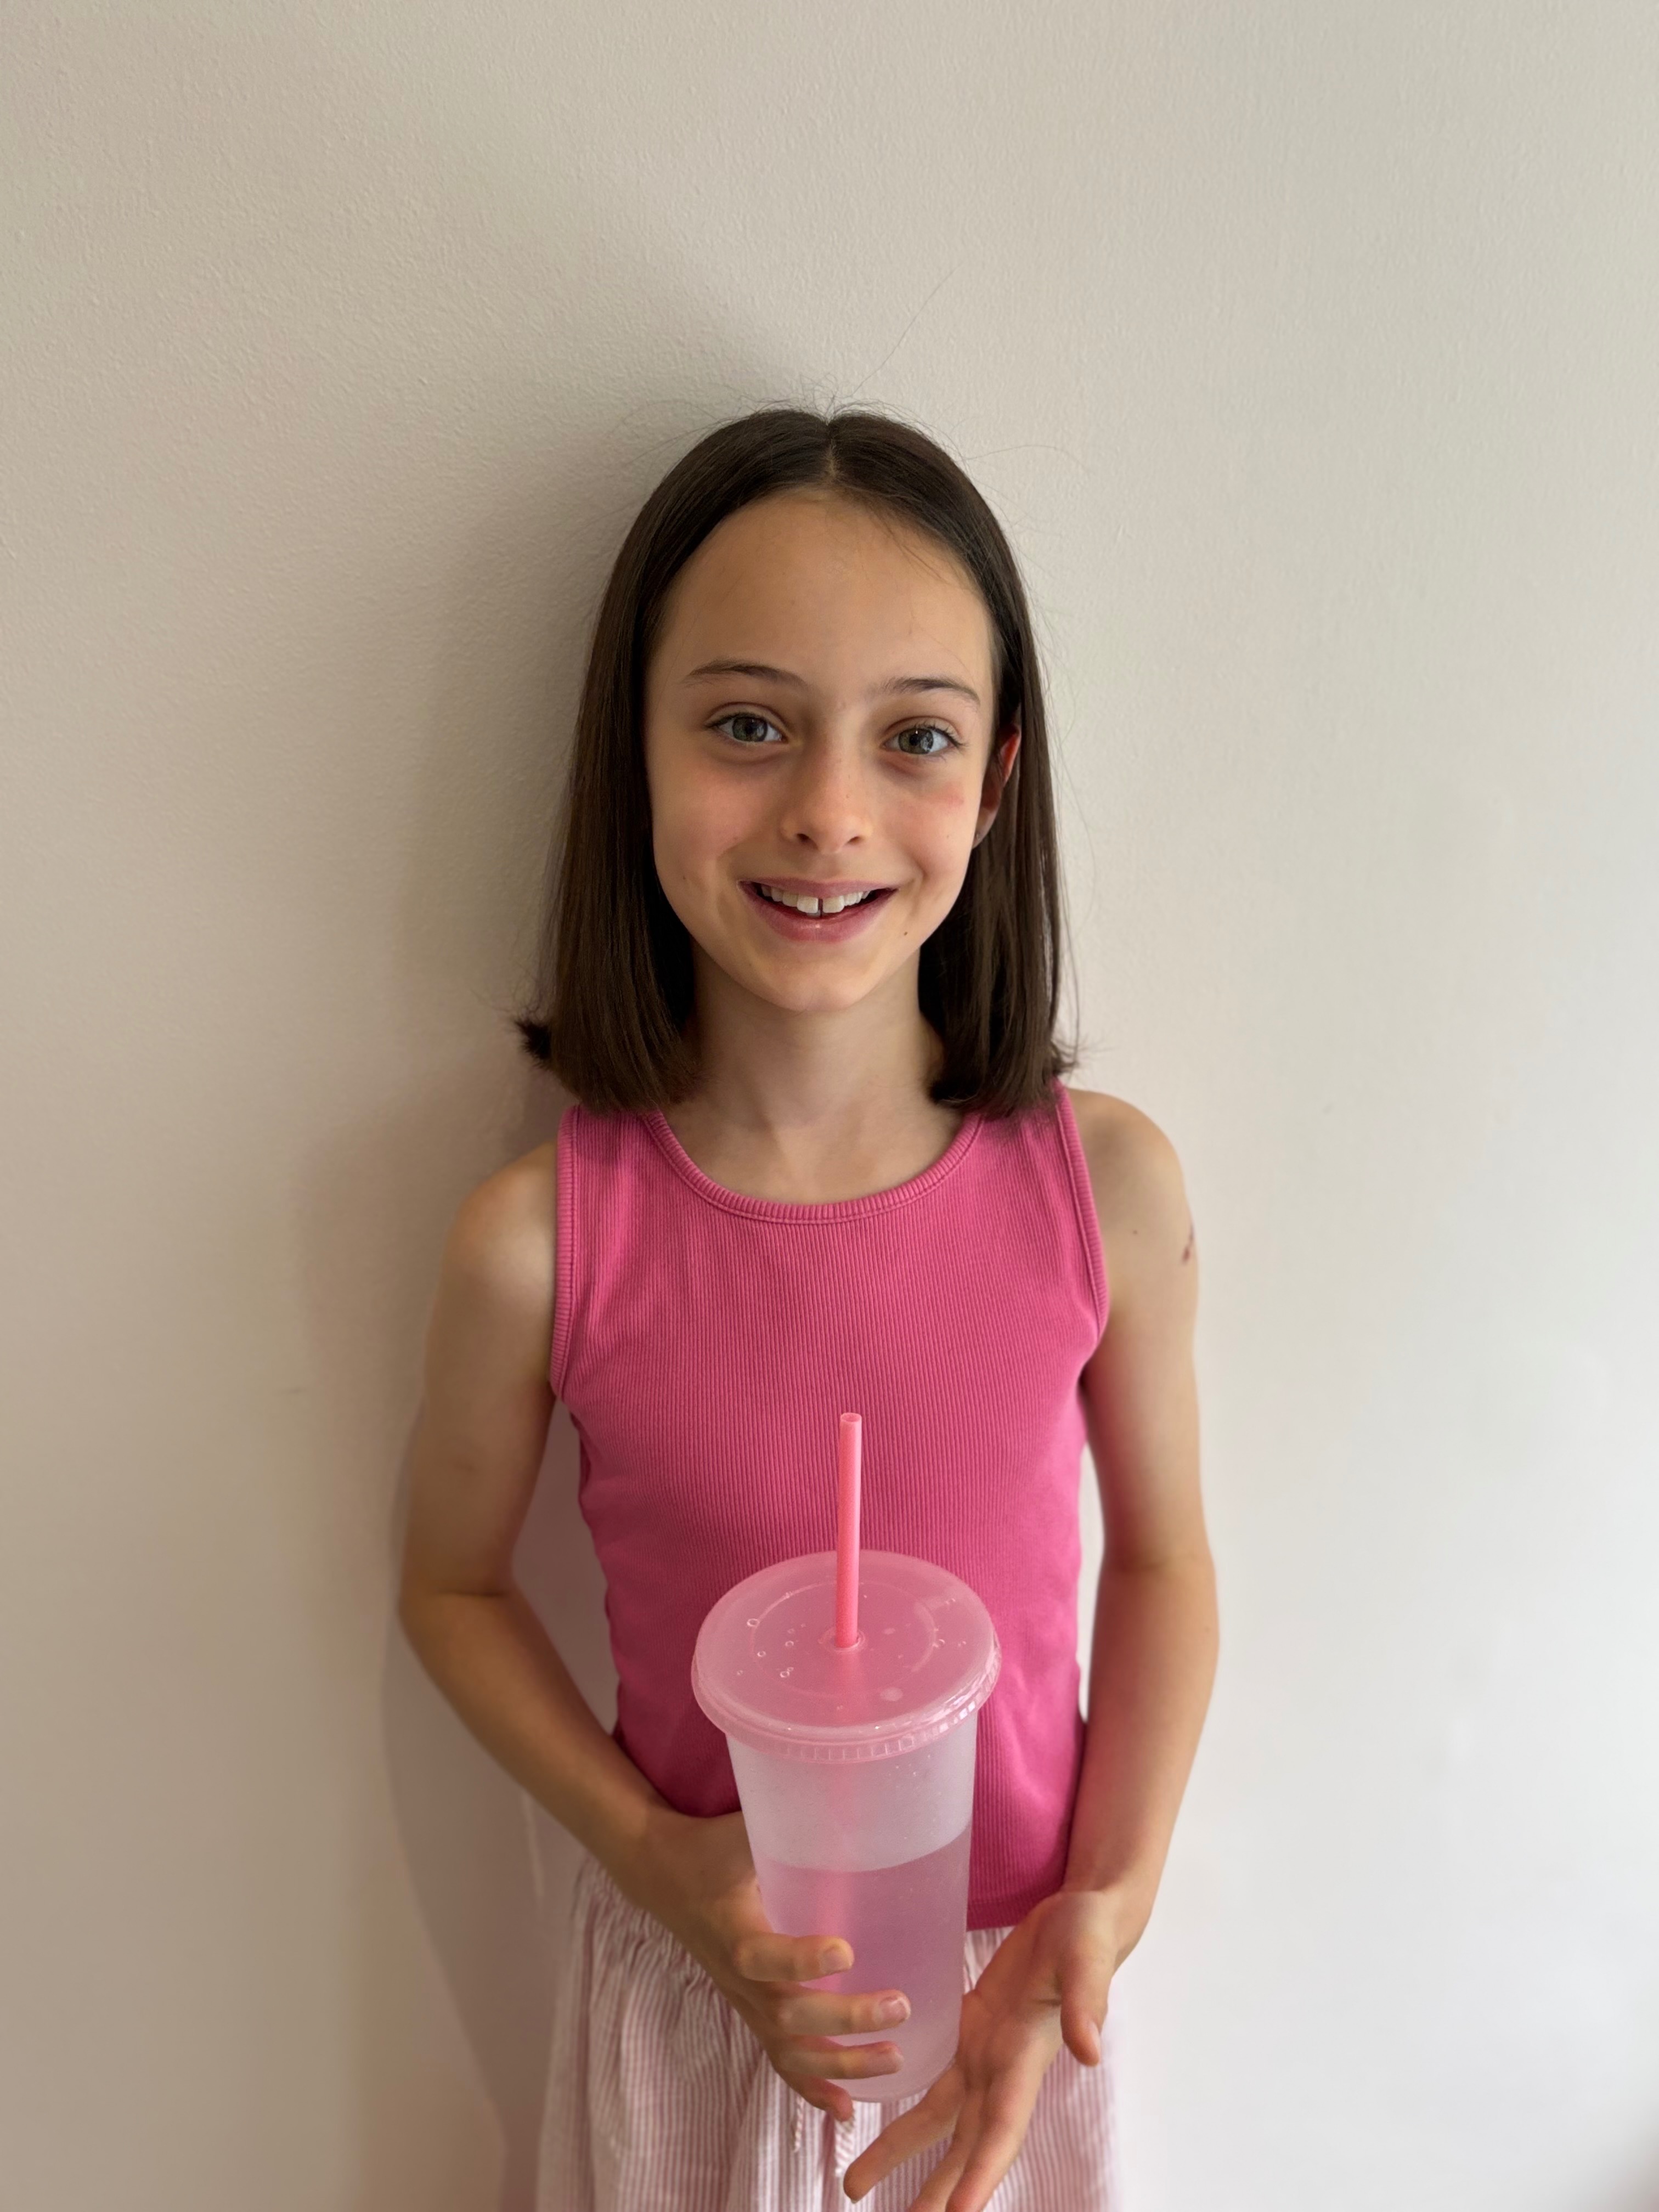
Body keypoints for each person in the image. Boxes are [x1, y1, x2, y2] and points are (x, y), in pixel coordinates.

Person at [397, 406, 1218, 2212]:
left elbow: (1164, 1565)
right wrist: (660, 1860)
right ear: (636, 749)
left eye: (913, 736)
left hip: (1020, 2023)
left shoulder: (1107, 1192)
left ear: (995, 783)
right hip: (706, 2016)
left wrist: (1108, 1904)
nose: (829, 813)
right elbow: (450, 1586)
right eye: (747, 725)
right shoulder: (538, 1245)